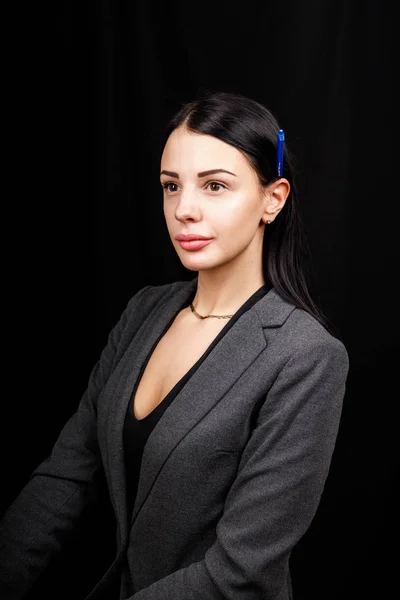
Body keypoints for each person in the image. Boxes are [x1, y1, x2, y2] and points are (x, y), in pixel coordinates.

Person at [0, 90, 349, 600]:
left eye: (214, 186)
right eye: (171, 186)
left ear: (271, 200)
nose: (184, 209)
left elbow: (240, 573)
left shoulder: (304, 355)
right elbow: (65, 478)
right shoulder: (145, 311)